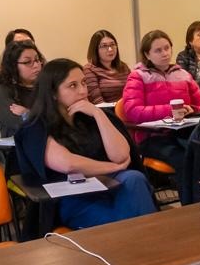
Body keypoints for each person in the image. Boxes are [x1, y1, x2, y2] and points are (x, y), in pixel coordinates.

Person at [15, 59, 156, 229]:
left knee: (134, 178)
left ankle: (143, 239)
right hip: (74, 197)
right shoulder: (35, 126)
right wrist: (112, 167)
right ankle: (145, 241)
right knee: (125, 218)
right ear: (53, 93)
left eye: (83, 83)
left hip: (108, 187)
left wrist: (98, 114)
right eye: (72, 86)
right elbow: (68, 164)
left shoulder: (91, 115)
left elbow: (121, 156)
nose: (82, 91)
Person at [121, 30, 200, 196]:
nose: (165, 53)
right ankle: (192, 207)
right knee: (183, 158)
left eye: (167, 48)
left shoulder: (183, 75)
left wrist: (191, 110)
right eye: (158, 50)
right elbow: (133, 111)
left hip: (184, 132)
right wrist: (170, 111)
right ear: (147, 54)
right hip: (153, 138)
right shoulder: (138, 77)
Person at [0, 39, 44, 137]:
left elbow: (59, 121)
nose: (36, 65)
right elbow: (20, 126)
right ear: (13, 66)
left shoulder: (46, 86)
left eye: (37, 60)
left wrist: (28, 113)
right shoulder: (2, 91)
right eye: (27, 62)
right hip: (19, 146)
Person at [82, 30, 130, 104]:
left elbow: (133, 92)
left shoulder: (123, 67)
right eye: (104, 46)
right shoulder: (89, 69)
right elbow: (98, 102)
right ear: (95, 49)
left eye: (112, 44)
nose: (110, 49)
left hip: (128, 109)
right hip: (107, 112)